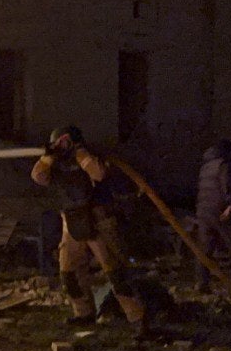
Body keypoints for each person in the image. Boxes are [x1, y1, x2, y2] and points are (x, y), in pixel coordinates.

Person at [31, 126, 150, 335]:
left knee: (115, 272)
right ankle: (83, 313)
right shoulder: (55, 162)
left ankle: (137, 318)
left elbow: (99, 174)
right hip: (72, 221)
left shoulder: (89, 157)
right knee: (69, 273)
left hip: (98, 221)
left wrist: (80, 155)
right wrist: (48, 157)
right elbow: (38, 176)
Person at [195, 138, 231, 290]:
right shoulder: (223, 165)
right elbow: (227, 186)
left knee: (205, 249)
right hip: (220, 210)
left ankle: (201, 282)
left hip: (203, 211)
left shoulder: (205, 167)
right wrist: (230, 206)